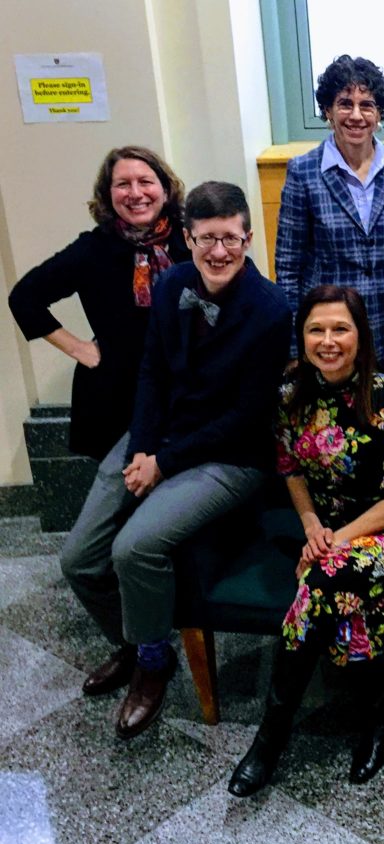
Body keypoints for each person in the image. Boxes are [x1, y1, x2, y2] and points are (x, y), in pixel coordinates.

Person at [59, 181, 291, 739]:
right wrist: (141, 446)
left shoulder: (271, 310)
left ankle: (154, 664)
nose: (218, 252)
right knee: (77, 557)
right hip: (156, 436)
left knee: (134, 547)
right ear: (187, 238)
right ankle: (134, 642)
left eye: (230, 239)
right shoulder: (170, 285)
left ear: (248, 238)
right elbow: (152, 374)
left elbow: (245, 416)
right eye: (207, 238)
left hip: (231, 455)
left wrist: (162, 462)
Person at [228, 285, 384, 797]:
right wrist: (312, 526)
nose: (328, 340)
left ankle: (271, 737)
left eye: (340, 328)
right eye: (316, 329)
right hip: (331, 535)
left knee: (322, 578)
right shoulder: (290, 397)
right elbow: (291, 468)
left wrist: (334, 540)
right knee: (344, 603)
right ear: (303, 337)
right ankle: (380, 715)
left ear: (361, 336)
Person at [8, 146, 190, 460]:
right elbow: (24, 297)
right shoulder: (93, 249)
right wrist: (79, 349)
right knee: (123, 491)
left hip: (183, 385)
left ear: (165, 187)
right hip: (117, 395)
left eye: (145, 181)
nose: (136, 193)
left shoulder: (189, 239)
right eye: (123, 184)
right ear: (108, 194)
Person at [275, 54, 384, 384]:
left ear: (379, 113)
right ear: (328, 111)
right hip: (329, 340)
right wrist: (292, 347)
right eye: (345, 103)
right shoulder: (303, 171)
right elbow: (288, 269)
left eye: (368, 105)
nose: (357, 115)